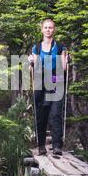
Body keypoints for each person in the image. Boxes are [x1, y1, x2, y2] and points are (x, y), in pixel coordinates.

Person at [28, 19, 69, 156]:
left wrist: (66, 60)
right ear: (42, 30)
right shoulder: (37, 48)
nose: (48, 30)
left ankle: (57, 146)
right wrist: (31, 62)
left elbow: (63, 67)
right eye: (45, 27)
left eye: (50, 27)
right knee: (41, 115)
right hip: (41, 83)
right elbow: (34, 67)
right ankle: (41, 146)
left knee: (56, 113)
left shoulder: (60, 47)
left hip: (56, 82)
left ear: (54, 30)